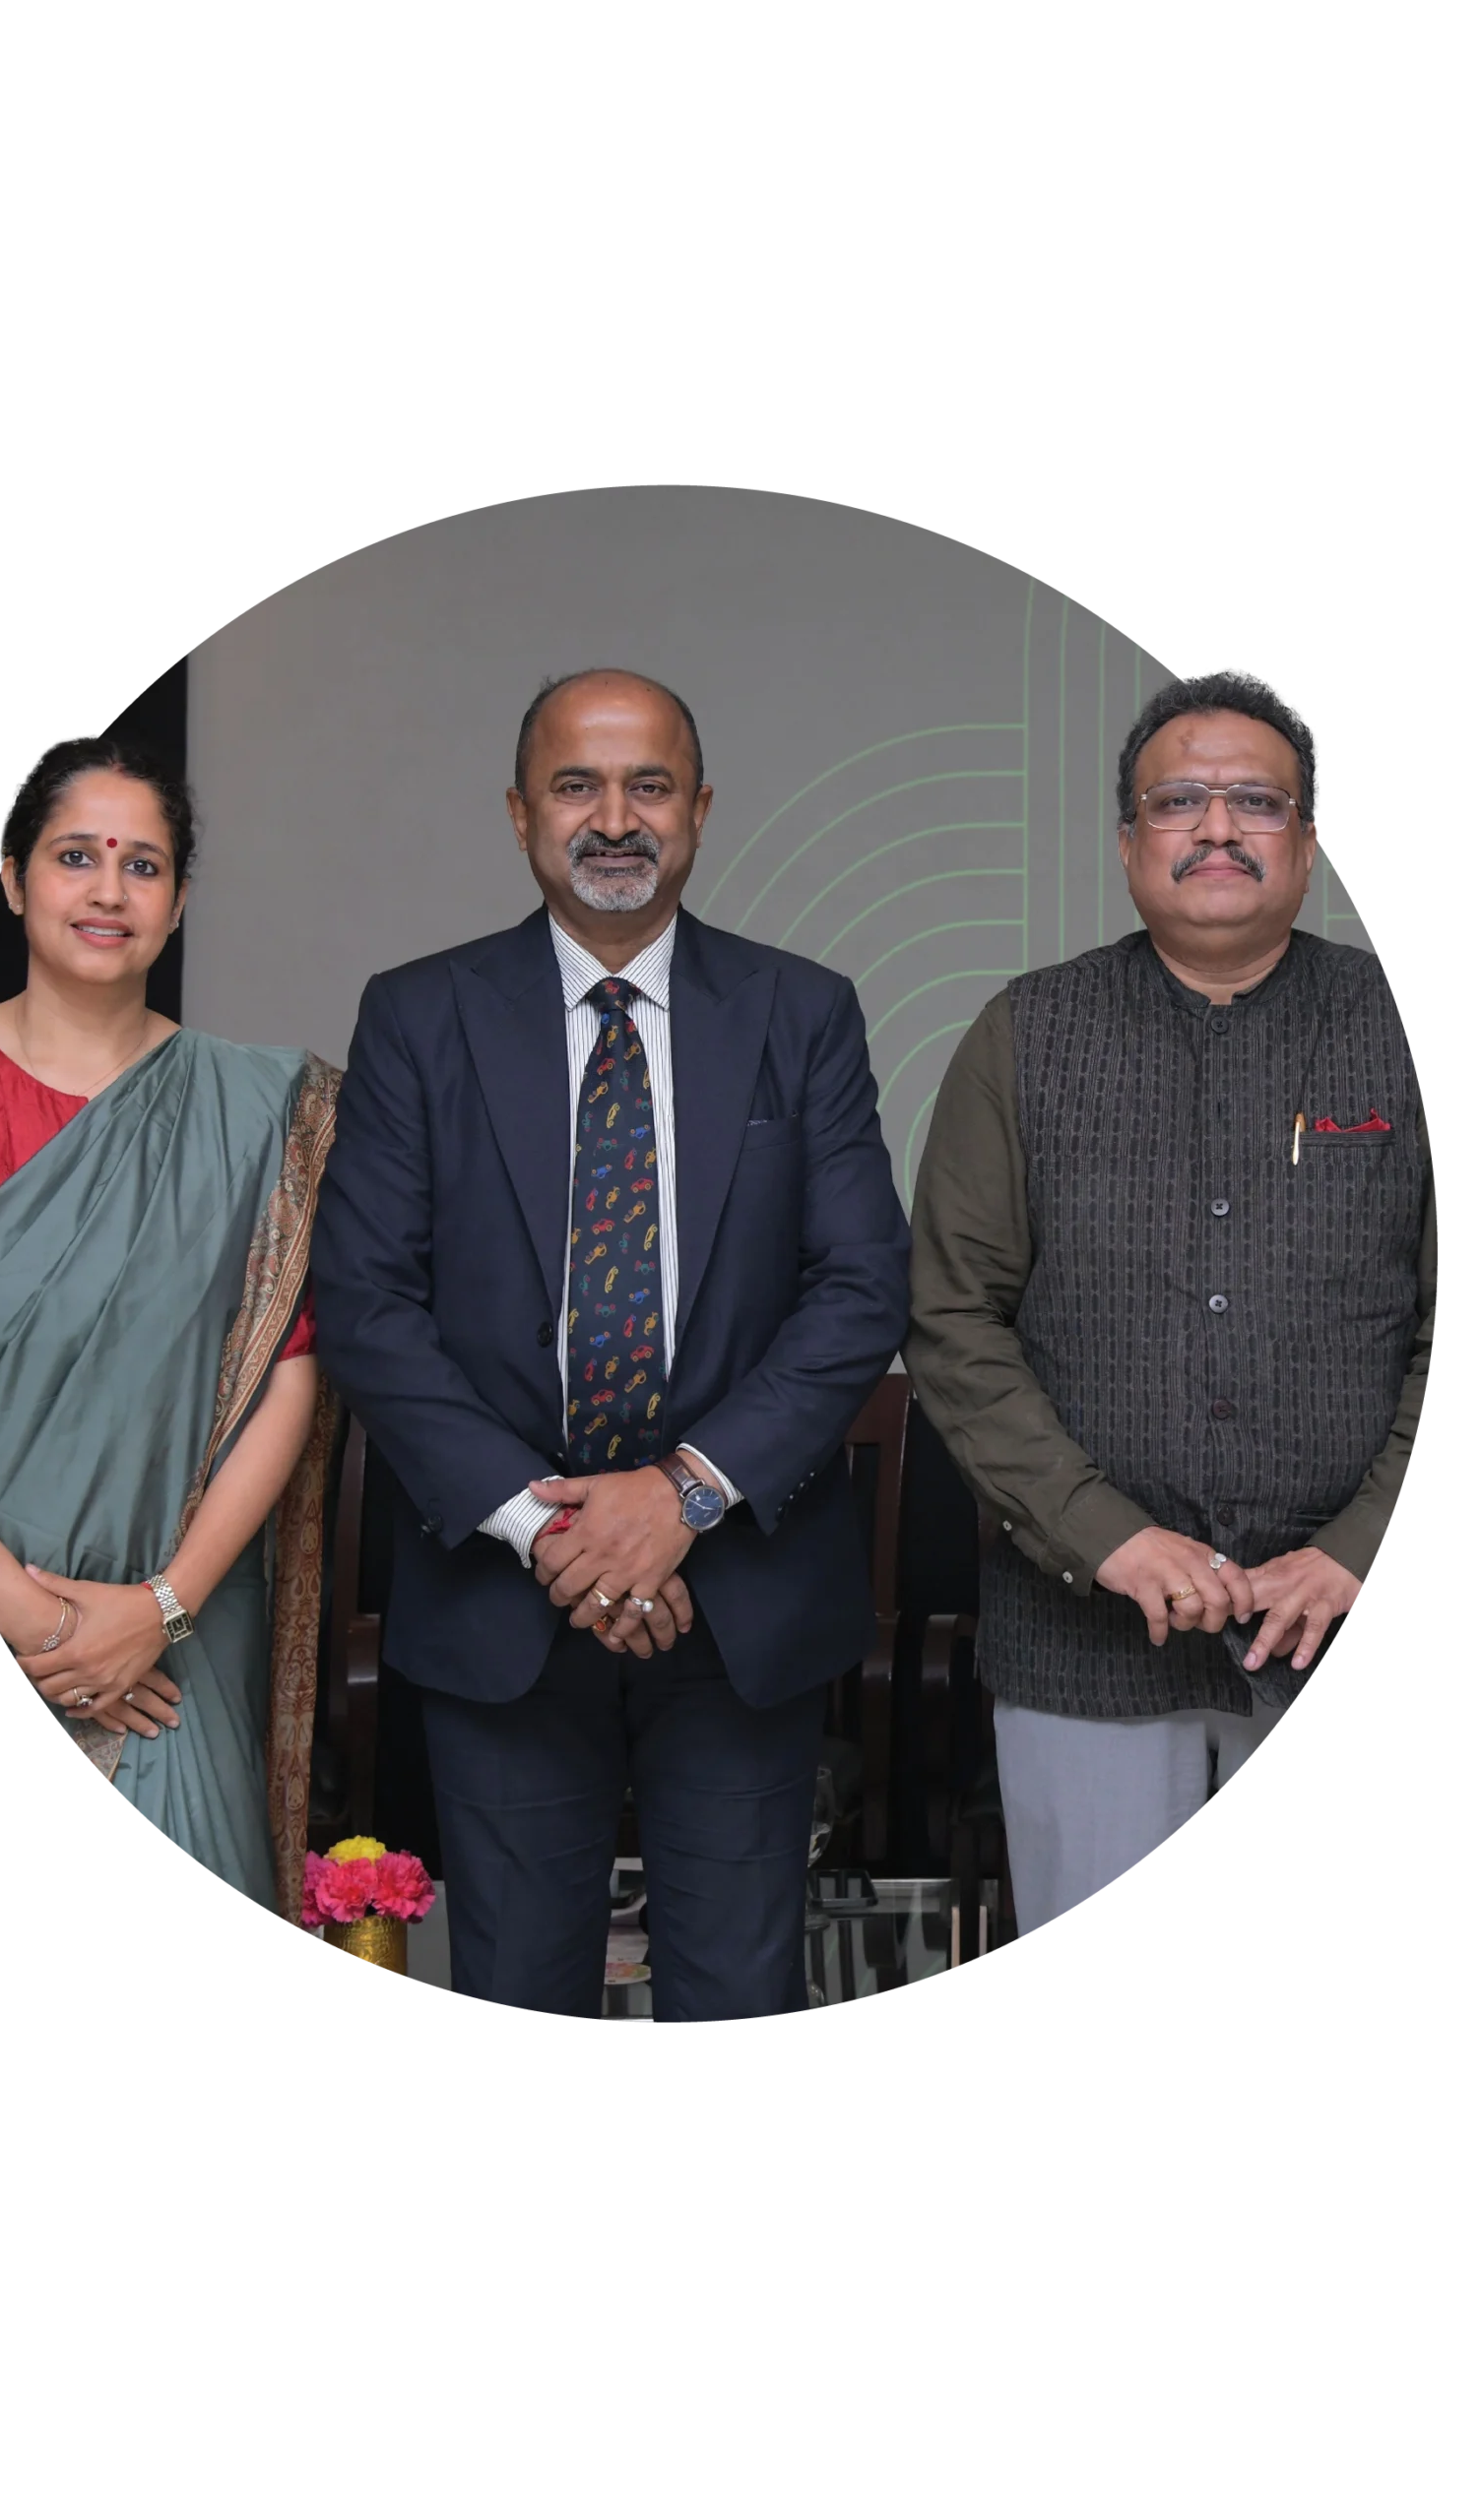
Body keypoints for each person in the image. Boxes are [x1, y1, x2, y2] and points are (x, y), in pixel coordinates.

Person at [312, 668, 911, 2020]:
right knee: (517, 1977)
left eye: (648, 784)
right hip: (500, 1595)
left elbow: (862, 1287)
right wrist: (560, 1531)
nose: (614, 817)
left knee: (737, 1988)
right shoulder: (419, 1016)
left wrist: (680, 1498)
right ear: (520, 812)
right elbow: (366, 1303)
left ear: (698, 809)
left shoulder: (800, 1012)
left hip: (740, 1591)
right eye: (577, 785)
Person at [906, 667, 1435, 1934]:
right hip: (1082, 1644)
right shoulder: (1023, 1034)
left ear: (1307, 844)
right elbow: (952, 1320)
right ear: (1126, 839)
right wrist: (1106, 1535)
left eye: (1255, 801)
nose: (1215, 828)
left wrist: (1358, 1547)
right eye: (1178, 800)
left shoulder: (1392, 1032)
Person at [0, 732, 342, 1920]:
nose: (108, 891)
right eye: (76, 857)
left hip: (174, 1650)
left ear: (182, 898)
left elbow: (285, 1378)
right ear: (11, 879)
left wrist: (155, 1610)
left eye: (142, 865)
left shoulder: (265, 1110)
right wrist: (36, 1621)